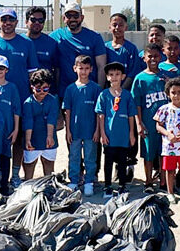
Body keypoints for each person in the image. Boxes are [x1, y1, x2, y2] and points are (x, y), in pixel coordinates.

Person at [0, 8, 38, 184]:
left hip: (21, 98)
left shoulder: (26, 43)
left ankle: (14, 174)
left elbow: (33, 74)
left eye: (11, 20)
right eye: (4, 19)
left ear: (16, 22)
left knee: (19, 138)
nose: (7, 23)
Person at [95, 62, 138, 199]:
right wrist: (102, 133)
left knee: (122, 161)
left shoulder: (127, 95)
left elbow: (131, 115)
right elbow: (101, 115)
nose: (114, 77)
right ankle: (108, 186)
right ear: (107, 77)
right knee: (108, 161)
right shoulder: (103, 95)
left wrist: (131, 134)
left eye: (117, 74)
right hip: (109, 135)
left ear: (123, 76)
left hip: (123, 135)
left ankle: (122, 186)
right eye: (111, 74)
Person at [62, 55, 101, 194]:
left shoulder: (96, 89)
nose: (83, 71)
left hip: (91, 130)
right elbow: (67, 111)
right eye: (81, 68)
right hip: (75, 130)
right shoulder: (70, 89)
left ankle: (89, 181)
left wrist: (98, 131)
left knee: (90, 156)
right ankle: (74, 180)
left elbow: (99, 112)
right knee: (74, 156)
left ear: (91, 69)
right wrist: (68, 130)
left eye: (86, 68)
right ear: (75, 68)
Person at [51, 2, 107, 97]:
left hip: (89, 92)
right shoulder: (55, 36)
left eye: (76, 15)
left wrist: (99, 92)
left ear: (82, 17)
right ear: (64, 18)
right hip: (64, 92)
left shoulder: (95, 37)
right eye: (69, 16)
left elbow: (101, 67)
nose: (72, 19)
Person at [132, 44, 168, 191]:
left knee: (164, 153)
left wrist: (168, 82)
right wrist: (139, 123)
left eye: (156, 56)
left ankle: (164, 182)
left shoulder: (165, 76)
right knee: (148, 154)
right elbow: (136, 104)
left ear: (161, 57)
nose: (153, 59)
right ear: (144, 58)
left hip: (165, 124)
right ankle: (148, 182)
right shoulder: (140, 78)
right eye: (150, 56)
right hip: (148, 122)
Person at [0, 55, 21, 194]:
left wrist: (16, 129)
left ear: (6, 69)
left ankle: (4, 186)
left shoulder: (12, 88)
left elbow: (16, 110)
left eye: (1, 68)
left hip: (7, 129)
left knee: (6, 157)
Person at [21, 69, 59, 179]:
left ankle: (49, 186)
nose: (42, 91)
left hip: (48, 138)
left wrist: (50, 136)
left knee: (48, 165)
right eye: (38, 89)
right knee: (29, 165)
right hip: (33, 138)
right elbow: (28, 121)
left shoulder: (52, 100)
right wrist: (28, 140)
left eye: (45, 88)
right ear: (32, 87)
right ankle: (28, 186)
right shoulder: (28, 103)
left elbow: (51, 119)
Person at [105, 13, 142, 88]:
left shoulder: (131, 49)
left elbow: (133, 72)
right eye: (114, 25)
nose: (117, 28)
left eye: (121, 25)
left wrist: (121, 90)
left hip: (126, 90)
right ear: (109, 27)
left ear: (126, 28)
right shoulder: (104, 48)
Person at [25, 6, 60, 79]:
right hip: (22, 85)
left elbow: (57, 68)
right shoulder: (20, 41)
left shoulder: (51, 43)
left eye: (41, 20)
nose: (37, 23)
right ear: (26, 21)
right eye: (33, 20)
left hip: (45, 86)